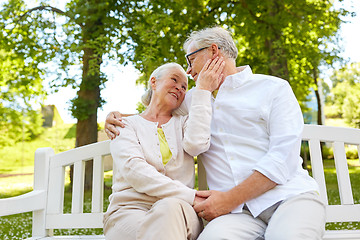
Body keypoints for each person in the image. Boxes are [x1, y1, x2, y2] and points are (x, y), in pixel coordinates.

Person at [105, 27, 325, 240]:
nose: (188, 71)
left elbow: (282, 159)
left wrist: (229, 199)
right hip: (238, 215)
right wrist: (118, 117)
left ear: (213, 51)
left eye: (190, 61)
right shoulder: (194, 98)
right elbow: (156, 113)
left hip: (289, 197)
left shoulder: (273, 88)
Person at [103, 61, 224, 240]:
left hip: (179, 209)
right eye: (174, 80)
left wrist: (203, 90)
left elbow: (197, 144)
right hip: (130, 211)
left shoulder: (184, 124)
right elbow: (134, 170)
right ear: (153, 82)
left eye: (184, 87)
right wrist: (192, 196)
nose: (180, 88)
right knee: (161, 228)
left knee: (168, 209)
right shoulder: (124, 125)